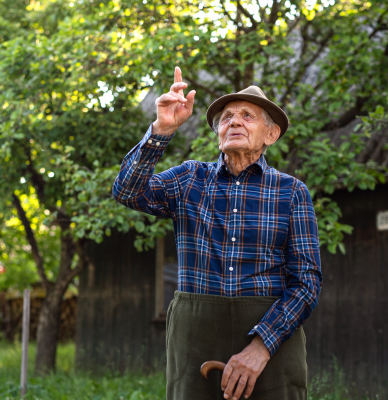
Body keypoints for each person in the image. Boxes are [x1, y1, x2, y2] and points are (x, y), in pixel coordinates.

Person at [112, 67, 322, 400]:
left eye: (247, 116)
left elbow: (306, 283)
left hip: (273, 341)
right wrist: (161, 130)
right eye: (226, 118)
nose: (234, 122)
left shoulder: (292, 192)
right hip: (195, 339)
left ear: (271, 134)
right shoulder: (190, 178)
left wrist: (261, 345)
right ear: (218, 134)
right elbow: (127, 191)